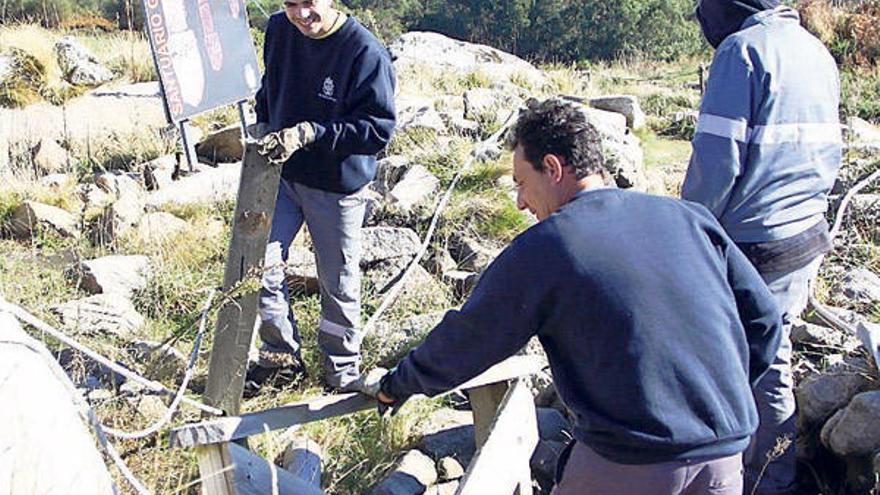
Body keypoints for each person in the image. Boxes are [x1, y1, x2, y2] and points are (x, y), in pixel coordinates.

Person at [367, 98, 782, 495]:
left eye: (521, 183)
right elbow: (764, 320)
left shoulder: (548, 246)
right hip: (726, 456)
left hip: (628, 461)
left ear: (552, 167)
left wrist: (398, 384)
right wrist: (728, 395)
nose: (520, 201)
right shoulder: (689, 218)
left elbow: (471, 338)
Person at [684, 1, 842, 492]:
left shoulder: (741, 51)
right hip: (804, 233)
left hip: (755, 245)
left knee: (743, 364)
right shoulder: (815, 51)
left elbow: (716, 165)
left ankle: (762, 479)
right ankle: (771, 472)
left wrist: (686, 231)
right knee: (775, 352)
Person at [245, 0, 396, 393]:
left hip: (336, 185)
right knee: (258, 263)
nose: (301, 15)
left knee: (338, 281)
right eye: (291, 4)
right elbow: (270, 84)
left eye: (309, 3)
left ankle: (340, 369)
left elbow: (377, 129)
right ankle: (280, 360)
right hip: (284, 174)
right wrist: (264, 121)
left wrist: (314, 133)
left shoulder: (363, 51)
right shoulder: (279, 31)